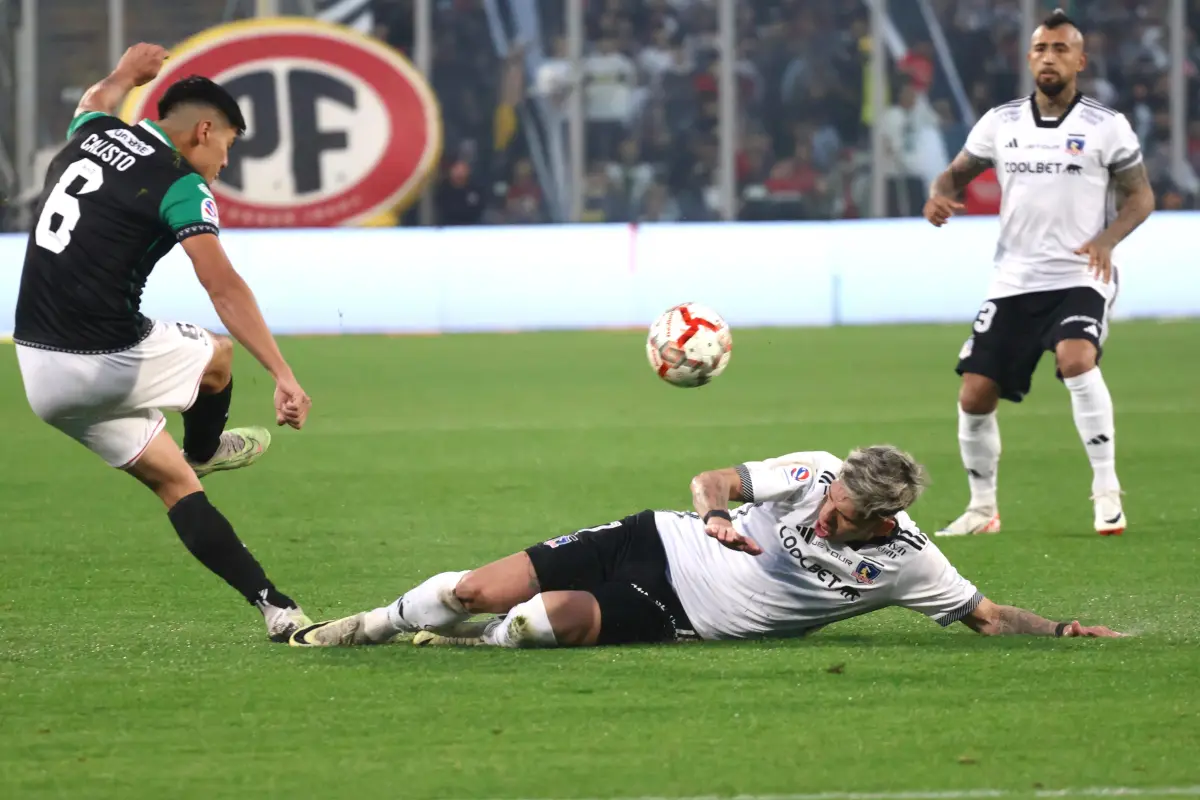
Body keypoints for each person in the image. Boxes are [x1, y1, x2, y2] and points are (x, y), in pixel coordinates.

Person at [12, 44, 315, 642]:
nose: (224, 161)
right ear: (203, 130)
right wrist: (283, 373)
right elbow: (222, 286)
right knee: (219, 355)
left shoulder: (92, 133)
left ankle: (277, 608)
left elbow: (93, 100)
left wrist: (125, 73)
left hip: (37, 372)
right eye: (227, 143)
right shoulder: (179, 184)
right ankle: (207, 445)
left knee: (174, 484)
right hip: (99, 356)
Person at [289, 446, 1122, 649]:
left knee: (540, 623)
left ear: (883, 522)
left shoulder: (909, 563)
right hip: (655, 536)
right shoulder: (817, 470)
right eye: (829, 505)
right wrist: (718, 516)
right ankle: (369, 627)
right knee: (476, 588)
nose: (825, 517)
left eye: (841, 521)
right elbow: (715, 479)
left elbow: (983, 613)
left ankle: (466, 645)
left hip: (683, 608)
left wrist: (1058, 633)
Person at [923, 10, 1154, 537]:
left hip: (1081, 273)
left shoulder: (1106, 125)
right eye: (1041, 48)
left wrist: (1107, 239)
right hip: (1014, 279)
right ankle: (983, 510)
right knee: (975, 394)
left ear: (1080, 60)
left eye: (1060, 48)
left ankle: (1106, 491)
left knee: (1076, 359)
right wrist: (940, 195)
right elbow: (957, 173)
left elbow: (1140, 195)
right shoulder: (1000, 122)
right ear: (1029, 58)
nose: (1049, 57)